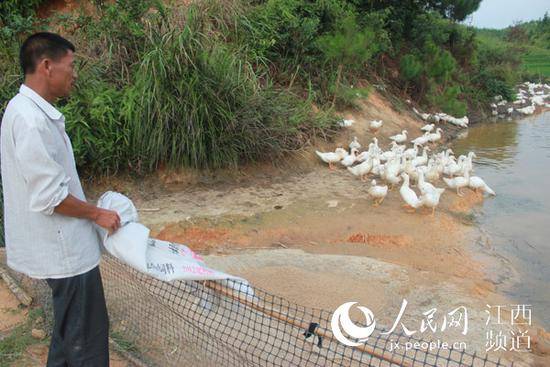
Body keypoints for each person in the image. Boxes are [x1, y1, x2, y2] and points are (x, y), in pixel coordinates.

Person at [1, 32, 121, 366]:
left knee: (69, 338)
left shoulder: (25, 110)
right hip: (65, 255)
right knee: (86, 343)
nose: (75, 74)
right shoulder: (30, 120)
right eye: (71, 66)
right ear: (46, 66)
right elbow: (51, 197)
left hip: (62, 250)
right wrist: (97, 213)